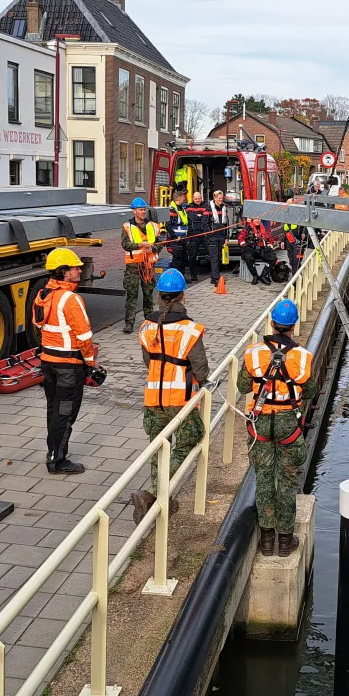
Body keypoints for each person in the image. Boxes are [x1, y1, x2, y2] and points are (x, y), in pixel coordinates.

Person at [238, 299, 316, 557]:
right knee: (287, 479)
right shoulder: (302, 357)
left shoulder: (253, 353)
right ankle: (285, 540)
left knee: (263, 479)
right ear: (293, 327)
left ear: (272, 323)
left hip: (260, 421)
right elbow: (311, 390)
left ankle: (266, 540)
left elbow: (242, 386)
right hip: (288, 423)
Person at [131, 269, 209, 520]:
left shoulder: (146, 327)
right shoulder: (190, 329)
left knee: (158, 447)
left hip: (153, 398)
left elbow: (147, 361)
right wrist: (203, 381)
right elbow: (200, 368)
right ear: (183, 296)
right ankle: (154, 493)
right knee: (191, 436)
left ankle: (161, 499)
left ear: (159, 296)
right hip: (180, 398)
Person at [34, 249, 97, 475]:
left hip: (48, 362)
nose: (79, 270)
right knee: (66, 412)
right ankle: (57, 460)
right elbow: (84, 336)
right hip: (69, 366)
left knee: (54, 409)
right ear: (64, 272)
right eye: (75, 267)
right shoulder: (71, 299)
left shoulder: (43, 294)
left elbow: (38, 324)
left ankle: (53, 451)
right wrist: (91, 363)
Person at [122, 198, 162, 335]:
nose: (143, 212)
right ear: (134, 211)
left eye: (144, 209)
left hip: (148, 265)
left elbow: (160, 243)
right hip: (133, 265)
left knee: (148, 293)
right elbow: (125, 244)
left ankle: (149, 319)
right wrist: (140, 245)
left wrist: (154, 248)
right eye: (140, 209)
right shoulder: (127, 226)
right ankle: (129, 322)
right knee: (132, 294)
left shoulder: (153, 226)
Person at [167, 186, 195, 283]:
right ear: (179, 198)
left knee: (183, 259)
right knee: (177, 260)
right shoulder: (172, 210)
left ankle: (181, 278)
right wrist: (175, 236)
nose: (184, 198)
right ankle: (175, 279)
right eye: (183, 197)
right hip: (177, 240)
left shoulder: (181, 208)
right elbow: (168, 226)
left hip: (183, 238)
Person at [206, 190, 234, 287]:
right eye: (219, 198)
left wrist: (227, 237)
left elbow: (226, 224)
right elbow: (204, 223)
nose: (220, 200)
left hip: (221, 236)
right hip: (212, 237)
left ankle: (214, 278)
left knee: (218, 258)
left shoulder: (224, 208)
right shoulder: (209, 208)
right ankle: (216, 278)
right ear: (214, 198)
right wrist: (209, 234)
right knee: (214, 258)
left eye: (222, 198)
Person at [238, 218, 277, 286]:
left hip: (262, 249)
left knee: (273, 258)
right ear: (252, 220)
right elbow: (240, 238)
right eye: (256, 219)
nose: (257, 221)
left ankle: (263, 276)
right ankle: (255, 276)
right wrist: (245, 246)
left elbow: (271, 240)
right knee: (248, 258)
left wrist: (269, 246)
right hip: (251, 250)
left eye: (259, 219)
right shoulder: (247, 228)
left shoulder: (264, 229)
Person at [186, 190, 212, 281]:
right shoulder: (189, 207)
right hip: (193, 234)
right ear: (193, 199)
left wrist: (200, 216)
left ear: (201, 198)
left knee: (212, 252)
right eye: (196, 199)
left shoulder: (206, 206)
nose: (198, 200)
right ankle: (193, 275)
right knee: (192, 255)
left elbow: (208, 217)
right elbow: (194, 218)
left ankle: (214, 273)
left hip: (204, 233)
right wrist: (202, 216)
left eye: (199, 198)